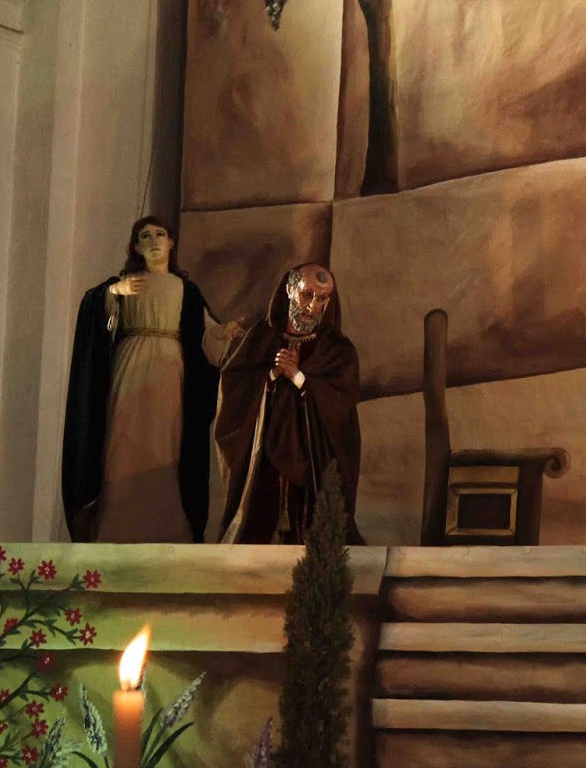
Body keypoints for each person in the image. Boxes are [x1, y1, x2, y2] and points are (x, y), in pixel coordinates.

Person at [61, 216, 242, 543]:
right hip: (129, 368)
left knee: (164, 448)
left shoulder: (185, 290)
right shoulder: (125, 283)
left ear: (171, 243)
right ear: (136, 247)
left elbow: (204, 335)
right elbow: (96, 317)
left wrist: (223, 333)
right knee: (122, 445)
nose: (154, 241)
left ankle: (168, 532)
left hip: (169, 373)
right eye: (145, 236)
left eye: (160, 234)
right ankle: (115, 529)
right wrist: (114, 291)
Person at [215, 263, 364, 545]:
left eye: (322, 298)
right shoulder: (261, 337)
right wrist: (272, 374)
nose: (312, 305)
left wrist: (298, 377)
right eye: (307, 294)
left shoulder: (337, 349)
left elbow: (342, 400)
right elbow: (234, 386)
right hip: (266, 456)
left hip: (311, 456)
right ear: (289, 290)